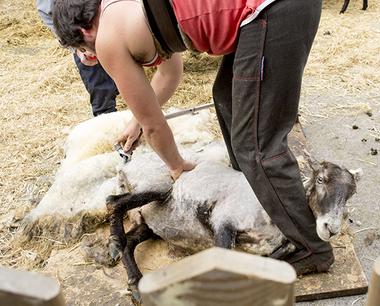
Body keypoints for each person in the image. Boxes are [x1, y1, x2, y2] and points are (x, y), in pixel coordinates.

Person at [52, 0, 333, 274]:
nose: (88, 54)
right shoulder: (125, 9)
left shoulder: (106, 40)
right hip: (267, 12)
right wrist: (136, 120)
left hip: (271, 11)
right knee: (226, 97)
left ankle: (312, 248)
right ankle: (257, 188)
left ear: (84, 32)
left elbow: (155, 126)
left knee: (258, 147)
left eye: (82, 48)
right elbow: (169, 74)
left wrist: (176, 166)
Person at [36, 0, 118, 116]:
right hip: (79, 35)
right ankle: (105, 115)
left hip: (108, 24)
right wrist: (78, 47)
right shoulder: (47, 5)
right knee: (97, 81)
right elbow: (46, 12)